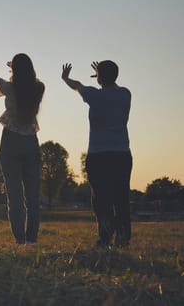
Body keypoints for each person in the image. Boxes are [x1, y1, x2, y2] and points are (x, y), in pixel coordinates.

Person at [61, 61, 132, 248]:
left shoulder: (93, 95)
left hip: (98, 155)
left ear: (99, 77)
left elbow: (77, 85)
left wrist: (65, 78)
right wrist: (102, 75)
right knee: (121, 197)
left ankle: (105, 237)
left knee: (101, 199)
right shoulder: (125, 94)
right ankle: (123, 238)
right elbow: (112, 85)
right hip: (122, 154)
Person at [0, 54, 45, 245]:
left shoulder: (10, 87)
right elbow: (27, 83)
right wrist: (18, 72)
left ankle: (20, 240)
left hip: (11, 140)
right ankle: (32, 240)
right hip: (31, 141)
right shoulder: (39, 88)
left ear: (14, 70)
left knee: (14, 195)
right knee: (32, 196)